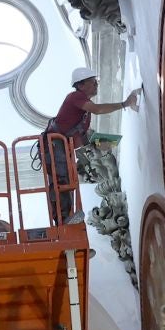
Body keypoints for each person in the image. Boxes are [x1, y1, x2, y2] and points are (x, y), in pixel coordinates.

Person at [44, 65, 140, 224]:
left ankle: (65, 217)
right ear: (80, 85)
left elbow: (82, 136)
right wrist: (124, 103)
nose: (96, 84)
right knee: (61, 179)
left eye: (96, 81)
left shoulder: (83, 111)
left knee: (68, 178)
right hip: (54, 144)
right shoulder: (75, 97)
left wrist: (102, 144)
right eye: (92, 81)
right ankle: (62, 219)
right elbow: (97, 109)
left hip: (63, 144)